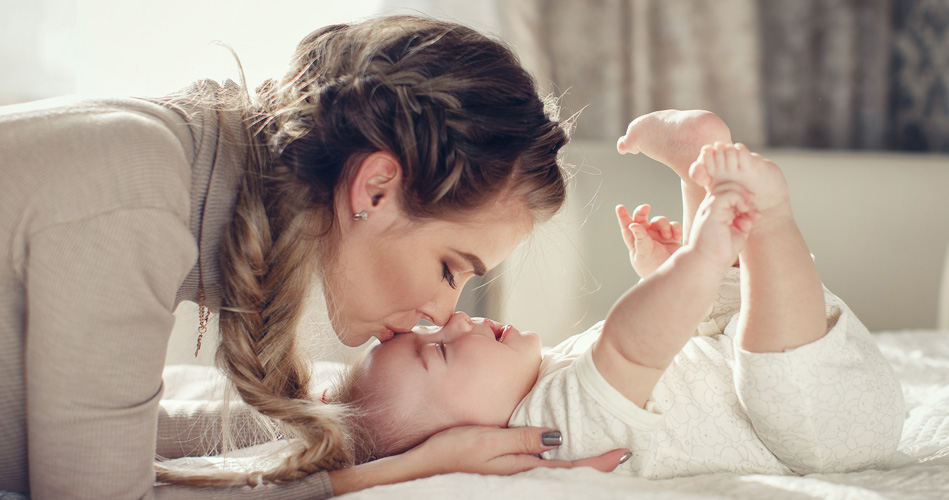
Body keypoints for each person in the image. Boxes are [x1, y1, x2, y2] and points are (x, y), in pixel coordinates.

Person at [0, 15, 628, 500]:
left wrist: (352, 436)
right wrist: (395, 472)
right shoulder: (133, 204)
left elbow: (72, 431)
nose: (439, 311)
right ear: (375, 189)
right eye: (448, 268)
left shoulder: (174, 172)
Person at [332, 114, 905, 477]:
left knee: (727, 312)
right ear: (466, 438)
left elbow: (661, 348)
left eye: (438, 333)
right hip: (826, 432)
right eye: (442, 351)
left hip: (751, 366)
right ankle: (768, 218)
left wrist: (673, 279)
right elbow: (633, 349)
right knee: (768, 356)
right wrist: (694, 263)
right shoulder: (548, 431)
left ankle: (698, 173)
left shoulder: (547, 373)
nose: (456, 320)